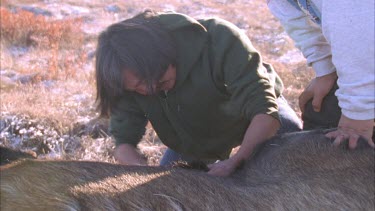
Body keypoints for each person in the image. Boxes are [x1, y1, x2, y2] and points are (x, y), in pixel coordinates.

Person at [95, 10, 302, 177]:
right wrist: (146, 174)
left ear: (165, 53)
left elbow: (263, 108)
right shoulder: (123, 74)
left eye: (157, 81)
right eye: (137, 88)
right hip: (194, 138)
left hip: (251, 118)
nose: (148, 91)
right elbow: (123, 142)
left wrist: (237, 161)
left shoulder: (220, 38)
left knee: (290, 140)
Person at [267, 0, 375, 149]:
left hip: (365, 51)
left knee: (349, 137)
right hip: (362, 54)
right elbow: (291, 13)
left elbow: (357, 31)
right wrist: (325, 70)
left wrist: (357, 113)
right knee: (322, 109)